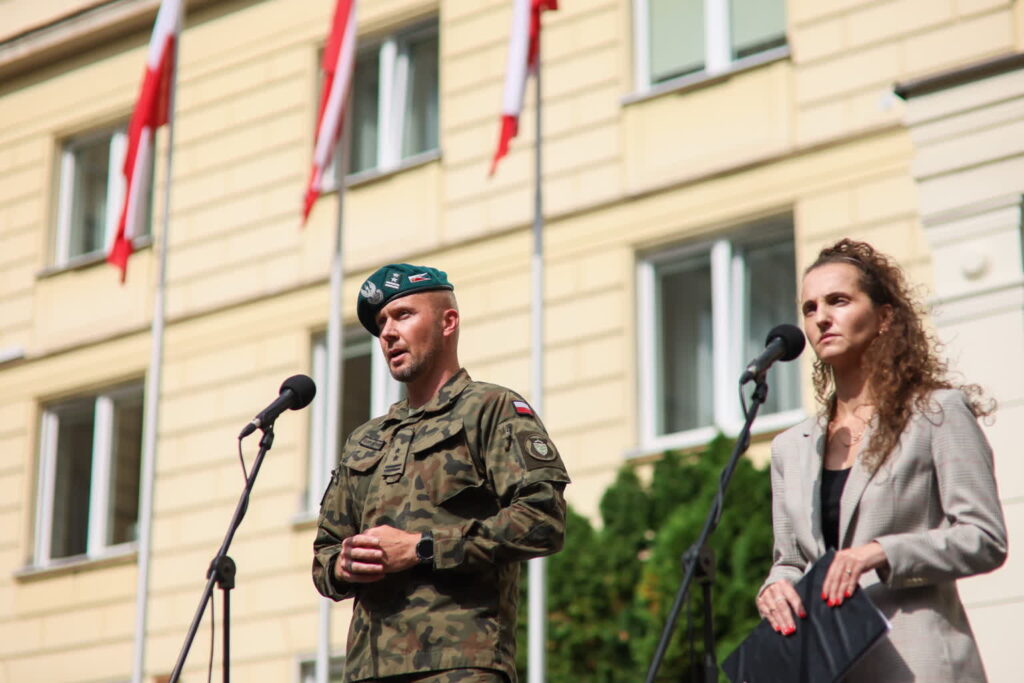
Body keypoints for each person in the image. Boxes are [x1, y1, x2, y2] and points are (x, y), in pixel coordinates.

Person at [755, 239, 1007, 681]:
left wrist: (879, 553)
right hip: (828, 668)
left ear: (885, 317)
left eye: (838, 301)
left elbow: (983, 537)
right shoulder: (790, 448)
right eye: (810, 308)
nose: (821, 318)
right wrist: (776, 588)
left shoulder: (935, 413)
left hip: (920, 663)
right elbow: (790, 560)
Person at [312, 263, 570, 683]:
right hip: (367, 671)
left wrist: (422, 548)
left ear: (448, 322)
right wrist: (343, 565)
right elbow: (325, 555)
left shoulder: (490, 409)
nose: (388, 333)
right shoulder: (366, 439)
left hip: (461, 665)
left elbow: (543, 520)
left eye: (403, 315)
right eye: (381, 324)